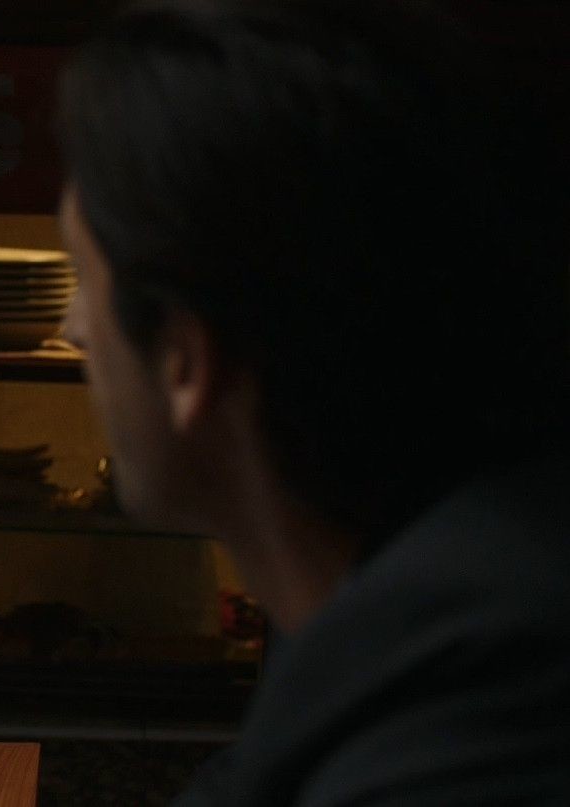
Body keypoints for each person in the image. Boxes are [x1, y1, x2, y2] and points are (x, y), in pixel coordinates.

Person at [53, 0, 570, 803]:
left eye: (83, 278)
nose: (72, 326)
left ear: (186, 359)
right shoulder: (378, 602)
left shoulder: (482, 707)